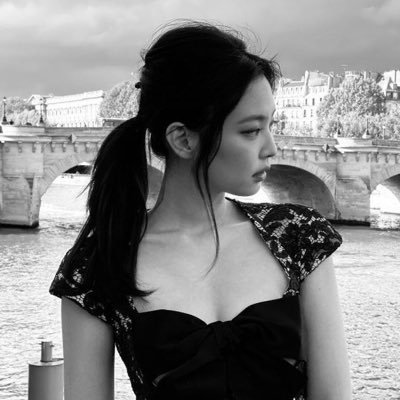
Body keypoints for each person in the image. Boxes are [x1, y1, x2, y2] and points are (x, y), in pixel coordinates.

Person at [49, 21, 352, 400]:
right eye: (251, 131)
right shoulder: (96, 266)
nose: (272, 148)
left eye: (270, 126)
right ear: (183, 139)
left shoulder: (299, 236)